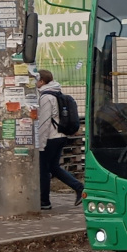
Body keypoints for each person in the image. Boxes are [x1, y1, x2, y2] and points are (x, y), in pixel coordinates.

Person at [35, 69, 83, 210]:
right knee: (53, 167)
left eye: (36, 80)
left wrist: (40, 144)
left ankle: (44, 201)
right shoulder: (57, 93)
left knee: (44, 169)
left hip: (50, 138)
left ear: (42, 81)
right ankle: (78, 187)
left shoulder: (46, 97)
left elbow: (44, 123)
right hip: (60, 136)